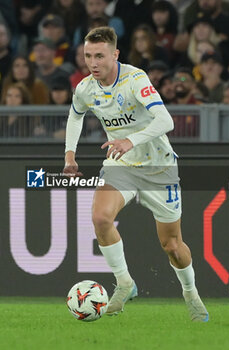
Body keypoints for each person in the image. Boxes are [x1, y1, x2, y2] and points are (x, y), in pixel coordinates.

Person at [63, 26, 209, 322]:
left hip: (159, 167)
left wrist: (130, 140)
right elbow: (75, 115)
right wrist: (70, 155)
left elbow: (166, 120)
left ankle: (191, 293)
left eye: (100, 56)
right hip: (122, 165)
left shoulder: (135, 79)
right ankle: (125, 282)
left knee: (172, 246)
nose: (93, 63)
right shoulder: (85, 87)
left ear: (115, 54)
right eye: (88, 56)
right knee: (100, 217)